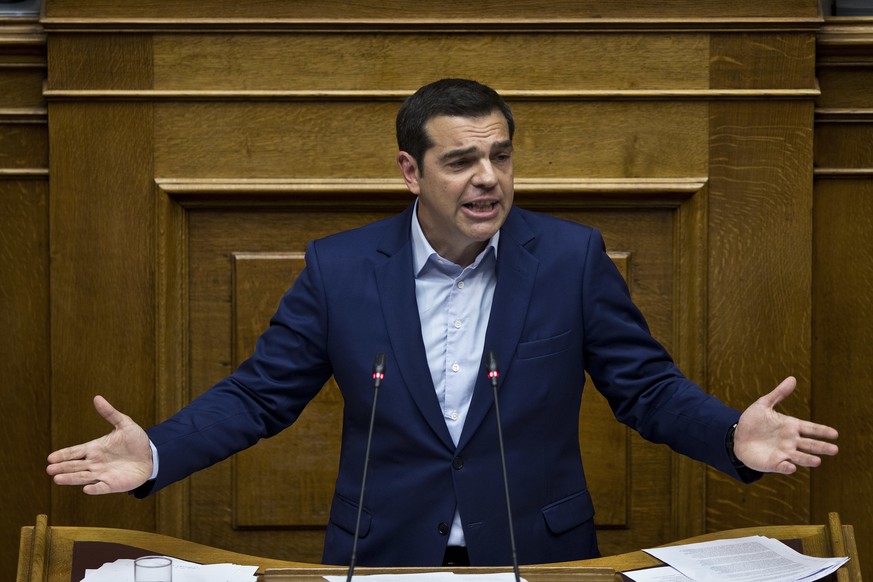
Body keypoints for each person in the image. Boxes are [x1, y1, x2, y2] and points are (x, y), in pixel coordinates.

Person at [47, 78, 839, 568]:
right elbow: (259, 397)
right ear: (409, 171)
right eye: (461, 160)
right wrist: (156, 450)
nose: (487, 177)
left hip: (540, 553)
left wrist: (727, 433)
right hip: (383, 555)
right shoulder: (340, 268)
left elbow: (645, 388)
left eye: (500, 155)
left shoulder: (569, 257)